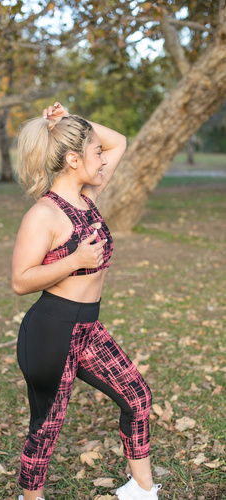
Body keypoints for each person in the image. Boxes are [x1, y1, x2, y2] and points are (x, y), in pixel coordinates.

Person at [11, 102, 162, 500]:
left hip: (88, 329)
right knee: (46, 427)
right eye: (93, 154)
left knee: (138, 398)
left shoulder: (87, 194)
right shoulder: (44, 214)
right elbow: (20, 281)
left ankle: (142, 491)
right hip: (51, 331)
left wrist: (69, 121)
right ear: (74, 159)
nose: (103, 160)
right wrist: (74, 260)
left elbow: (119, 142)